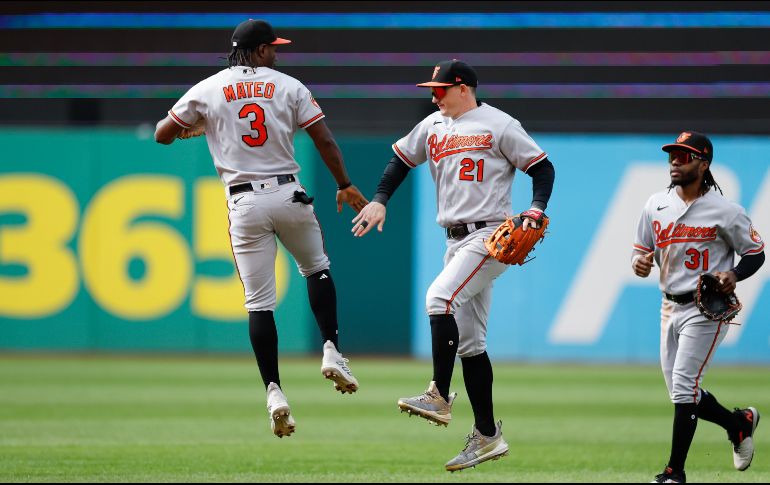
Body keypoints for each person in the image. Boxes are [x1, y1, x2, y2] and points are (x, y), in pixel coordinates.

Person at [154, 19, 368, 439]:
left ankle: (274, 392)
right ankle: (331, 350)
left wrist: (199, 126)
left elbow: (163, 135)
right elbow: (324, 140)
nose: (277, 52)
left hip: (244, 201)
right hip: (289, 193)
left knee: (259, 304)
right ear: (260, 51)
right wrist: (344, 184)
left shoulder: (209, 87)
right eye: (273, 47)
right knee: (316, 268)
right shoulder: (288, 85)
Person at [351, 59, 556, 471]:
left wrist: (535, 209)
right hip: (455, 239)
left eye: (440, 89)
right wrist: (379, 199)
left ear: (463, 88)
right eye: (432, 89)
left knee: (439, 297)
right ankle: (487, 435)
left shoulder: (499, 123)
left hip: (490, 235)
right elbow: (401, 160)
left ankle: (439, 395)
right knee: (471, 344)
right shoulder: (432, 126)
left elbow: (542, 167)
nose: (433, 95)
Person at [632, 131, 765, 483]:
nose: (676, 161)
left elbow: (755, 253)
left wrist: (734, 274)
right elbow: (640, 250)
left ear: (703, 164)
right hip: (668, 306)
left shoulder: (726, 210)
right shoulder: (655, 204)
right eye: (673, 155)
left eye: (685, 156)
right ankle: (739, 425)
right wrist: (639, 263)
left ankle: (675, 472)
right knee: (681, 390)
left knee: (684, 387)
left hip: (706, 308)